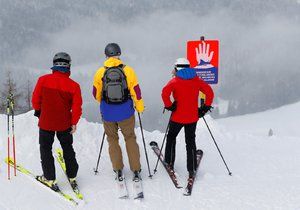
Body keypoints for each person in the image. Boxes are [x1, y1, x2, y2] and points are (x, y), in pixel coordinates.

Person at [92, 43, 144, 181]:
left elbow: (95, 94)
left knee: (112, 139)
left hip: (108, 112)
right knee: (130, 138)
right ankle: (136, 169)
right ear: (119, 54)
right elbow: (136, 92)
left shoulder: (100, 72)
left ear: (106, 55)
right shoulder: (128, 70)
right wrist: (139, 107)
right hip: (125, 111)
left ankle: (118, 168)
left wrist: (104, 104)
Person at [32, 52, 82, 190]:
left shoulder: (43, 80)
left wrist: (39, 111)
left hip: (46, 122)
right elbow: (77, 107)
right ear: (68, 66)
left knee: (46, 149)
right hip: (64, 123)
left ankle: (49, 178)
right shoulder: (74, 86)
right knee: (67, 148)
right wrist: (74, 122)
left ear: (54, 64)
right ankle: (72, 175)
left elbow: (35, 100)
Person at [161, 57, 214, 178]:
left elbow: (164, 93)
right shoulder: (196, 80)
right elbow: (209, 92)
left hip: (177, 117)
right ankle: (192, 168)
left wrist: (170, 106)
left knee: (171, 137)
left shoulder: (174, 81)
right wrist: (204, 108)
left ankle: (169, 162)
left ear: (177, 68)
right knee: (190, 141)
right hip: (192, 117)